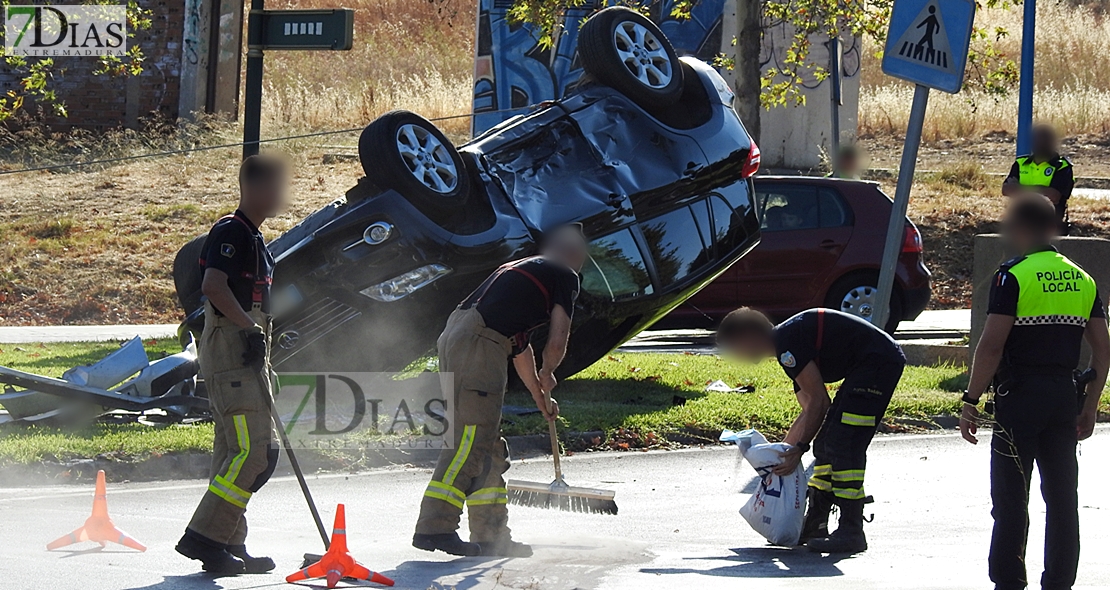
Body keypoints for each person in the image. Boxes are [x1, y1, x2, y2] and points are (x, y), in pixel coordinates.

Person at [412, 224, 589, 558]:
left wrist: (540, 396)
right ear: (573, 254)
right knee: (469, 440)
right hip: (479, 344)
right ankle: (434, 527)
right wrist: (550, 372)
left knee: (488, 445)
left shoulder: (526, 275)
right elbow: (558, 335)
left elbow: (519, 348)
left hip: (463, 336)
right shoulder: (564, 274)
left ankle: (492, 535)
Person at [960, 194, 1108, 590]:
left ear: (1022, 227)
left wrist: (970, 400)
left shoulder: (1013, 275)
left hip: (1019, 397)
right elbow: (1103, 348)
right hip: (1063, 396)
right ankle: (1059, 582)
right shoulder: (1082, 278)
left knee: (1011, 499)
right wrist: (1090, 405)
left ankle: (1009, 581)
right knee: (1062, 499)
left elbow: (991, 345)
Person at [175, 155, 289, 574]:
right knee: (254, 453)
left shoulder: (253, 237)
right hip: (233, 348)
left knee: (234, 454)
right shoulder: (232, 231)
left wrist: (258, 334)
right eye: (277, 187)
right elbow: (213, 286)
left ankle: (227, 540)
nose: (282, 195)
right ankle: (203, 539)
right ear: (256, 190)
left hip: (246, 346)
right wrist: (248, 330)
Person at [717, 306, 906, 554]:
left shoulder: (787, 345)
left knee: (843, 443)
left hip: (878, 363)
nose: (736, 355)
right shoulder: (787, 350)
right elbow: (809, 410)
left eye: (734, 347)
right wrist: (780, 456)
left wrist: (798, 450)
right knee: (825, 444)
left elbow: (819, 401)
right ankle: (816, 522)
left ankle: (851, 529)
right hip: (867, 366)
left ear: (748, 337)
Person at [1002, 124, 1075, 231]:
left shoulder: (1062, 166)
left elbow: (1054, 196)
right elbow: (1006, 190)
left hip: (1049, 226)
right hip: (1021, 223)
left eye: (1044, 141)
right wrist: (1041, 191)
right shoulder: (1020, 163)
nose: (1039, 144)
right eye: (1036, 140)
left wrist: (1020, 189)